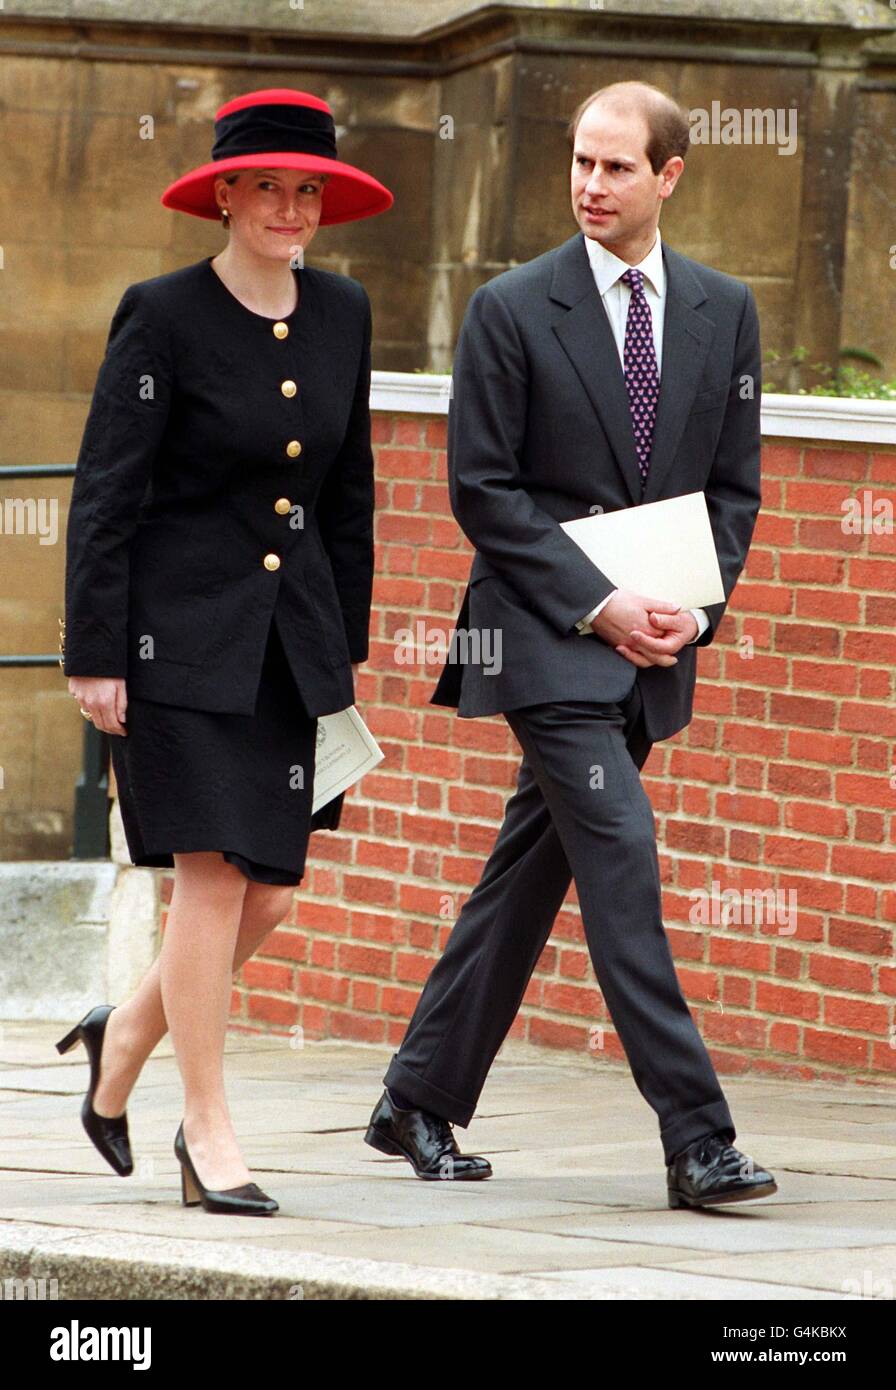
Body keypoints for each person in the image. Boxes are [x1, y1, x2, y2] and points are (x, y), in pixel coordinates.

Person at [366, 81, 777, 1210]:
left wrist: (702, 605)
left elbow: (731, 487)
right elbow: (482, 492)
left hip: (654, 643)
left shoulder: (721, 309)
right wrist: (597, 604)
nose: (590, 185)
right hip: (539, 637)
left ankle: (415, 1097)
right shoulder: (509, 307)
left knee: (526, 875)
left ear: (669, 176)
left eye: (615, 167)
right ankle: (696, 1137)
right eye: (579, 164)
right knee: (621, 861)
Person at [57, 88, 392, 1215]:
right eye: (270, 187)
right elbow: (106, 493)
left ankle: (122, 1037)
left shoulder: (343, 314)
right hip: (175, 643)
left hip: (287, 649)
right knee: (209, 881)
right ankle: (208, 1130)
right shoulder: (159, 316)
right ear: (225, 194)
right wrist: (96, 652)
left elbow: (350, 498)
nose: (292, 209)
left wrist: (340, 645)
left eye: (309, 191)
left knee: (272, 892)